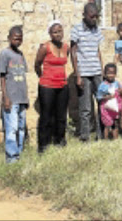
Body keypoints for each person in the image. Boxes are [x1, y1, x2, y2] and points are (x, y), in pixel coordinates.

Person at [71, 3, 104, 142]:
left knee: (102, 103)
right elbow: (73, 53)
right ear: (84, 14)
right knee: (85, 108)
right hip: (83, 74)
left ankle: (101, 135)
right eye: (92, 16)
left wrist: (102, 72)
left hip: (97, 73)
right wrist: (77, 75)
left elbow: (98, 51)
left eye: (96, 16)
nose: (94, 19)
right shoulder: (76, 29)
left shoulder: (97, 30)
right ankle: (85, 137)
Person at [34, 20, 69, 153]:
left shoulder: (66, 47)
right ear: (50, 33)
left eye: (60, 31)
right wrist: (44, 78)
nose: (58, 34)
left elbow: (64, 61)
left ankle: (59, 142)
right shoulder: (45, 47)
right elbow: (37, 64)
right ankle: (43, 146)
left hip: (62, 86)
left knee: (61, 117)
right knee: (46, 117)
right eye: (54, 32)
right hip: (47, 86)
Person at [0, 25, 29, 163]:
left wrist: (26, 98)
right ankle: (12, 159)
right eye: (15, 38)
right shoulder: (5, 54)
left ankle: (20, 154)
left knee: (21, 128)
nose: (18, 41)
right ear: (9, 38)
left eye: (20, 39)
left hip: (22, 98)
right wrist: (5, 97)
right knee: (12, 129)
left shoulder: (20, 55)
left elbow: (23, 76)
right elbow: (2, 77)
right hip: (11, 99)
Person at [97, 63, 122, 140]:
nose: (111, 75)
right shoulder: (102, 85)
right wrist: (107, 97)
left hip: (115, 109)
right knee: (106, 124)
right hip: (106, 109)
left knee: (115, 123)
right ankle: (105, 139)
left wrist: (121, 91)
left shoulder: (117, 84)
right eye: (109, 73)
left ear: (115, 74)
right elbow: (99, 97)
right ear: (105, 74)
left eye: (113, 73)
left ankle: (115, 139)